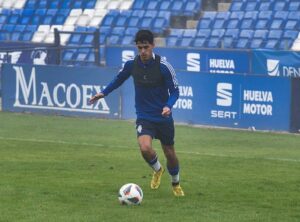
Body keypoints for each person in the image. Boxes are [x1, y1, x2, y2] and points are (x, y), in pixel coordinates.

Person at [89, 29, 184, 197]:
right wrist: (104, 92)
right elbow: (118, 79)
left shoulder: (164, 66)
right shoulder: (131, 65)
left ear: (153, 46)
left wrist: (168, 106)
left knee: (169, 152)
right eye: (139, 48)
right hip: (144, 116)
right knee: (145, 147)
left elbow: (175, 91)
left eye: (146, 47)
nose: (143, 51)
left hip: (163, 117)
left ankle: (175, 183)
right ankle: (158, 170)